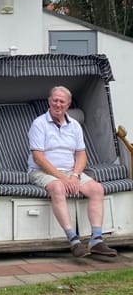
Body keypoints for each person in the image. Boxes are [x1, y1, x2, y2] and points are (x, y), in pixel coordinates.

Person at [28, 85, 117, 258]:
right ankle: (74, 241)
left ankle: (96, 240)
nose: (58, 104)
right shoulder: (39, 124)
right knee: (58, 188)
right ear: (49, 101)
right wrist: (63, 178)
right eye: (55, 100)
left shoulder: (74, 125)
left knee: (97, 189)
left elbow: (81, 154)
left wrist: (75, 176)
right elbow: (38, 157)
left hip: (70, 171)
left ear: (68, 105)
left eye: (62, 101)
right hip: (42, 171)